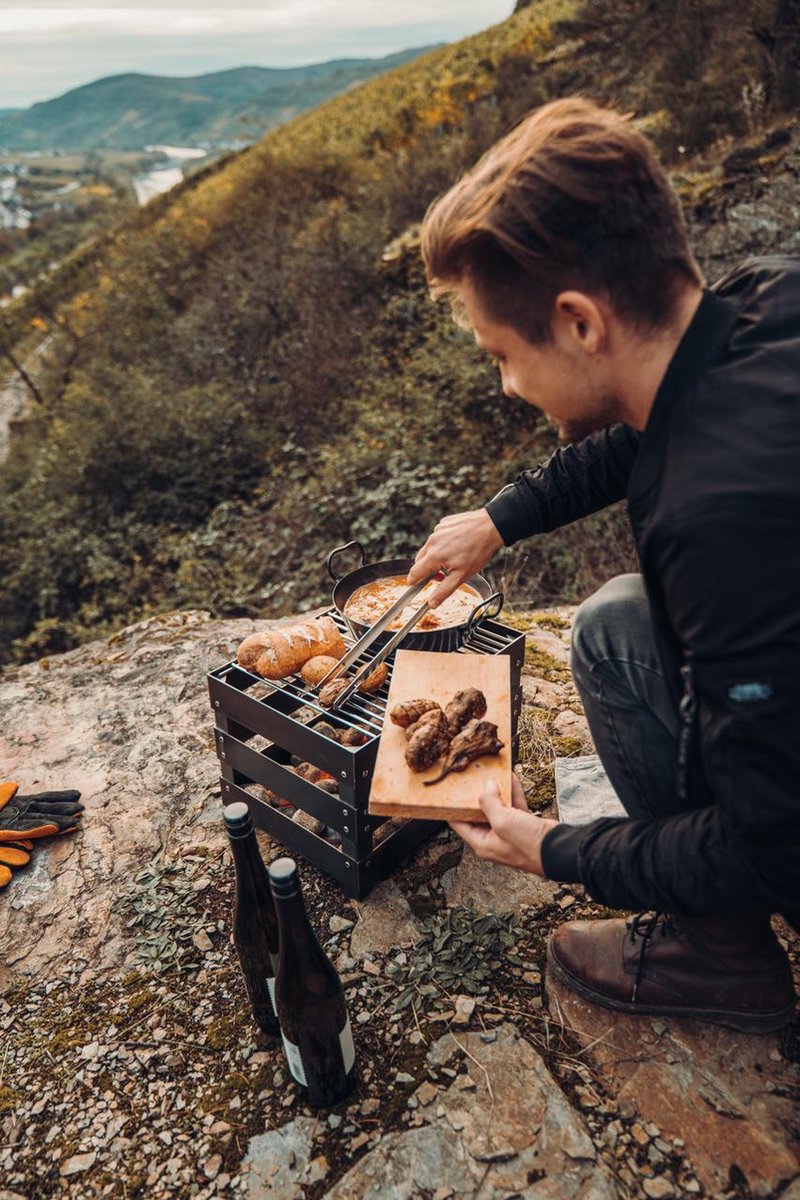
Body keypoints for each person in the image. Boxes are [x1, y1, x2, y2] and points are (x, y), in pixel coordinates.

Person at [408, 97, 799, 1033]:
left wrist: (557, 848)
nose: (507, 386)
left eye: (504, 355)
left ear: (580, 323)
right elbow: (640, 429)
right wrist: (500, 521)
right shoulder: (763, 300)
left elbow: (774, 849)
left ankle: (719, 957)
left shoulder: (719, 523)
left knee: (612, 628)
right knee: (617, 619)